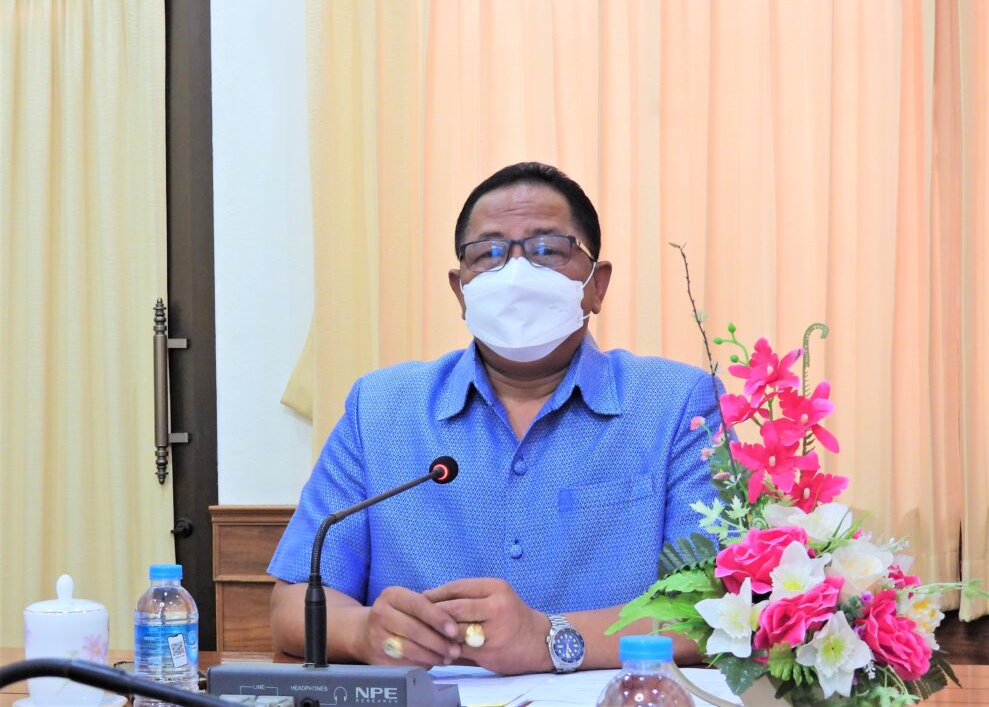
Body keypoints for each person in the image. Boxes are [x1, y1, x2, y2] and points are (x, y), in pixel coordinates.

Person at [268, 162, 722, 675]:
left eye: (547, 249)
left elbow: (712, 610)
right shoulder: (378, 409)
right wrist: (362, 632)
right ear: (460, 291)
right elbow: (292, 606)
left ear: (597, 285)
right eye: (489, 254)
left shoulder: (678, 403)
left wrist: (549, 639)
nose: (517, 273)